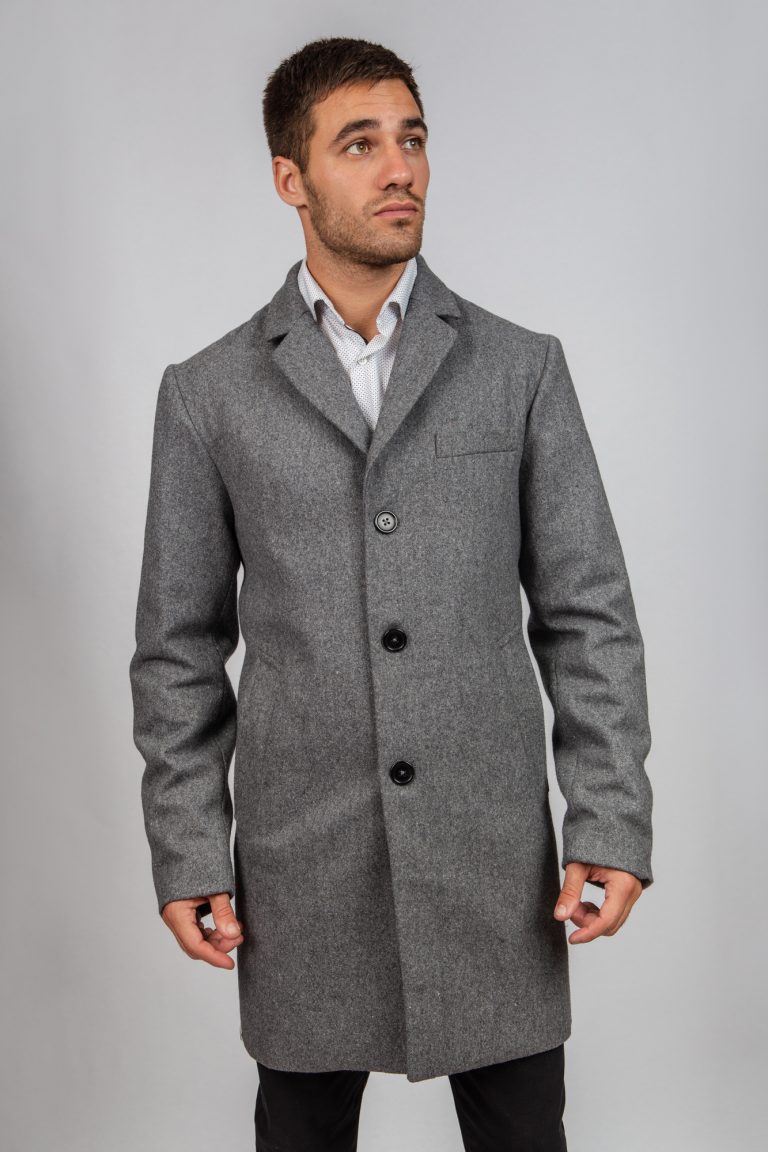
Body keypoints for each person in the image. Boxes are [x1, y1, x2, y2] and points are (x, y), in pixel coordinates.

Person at [129, 35, 654, 1151]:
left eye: (411, 138)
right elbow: (178, 650)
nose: (400, 167)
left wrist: (608, 817)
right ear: (291, 177)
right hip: (304, 869)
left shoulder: (520, 368)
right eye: (359, 144)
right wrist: (189, 848)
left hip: (492, 864)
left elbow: (589, 615)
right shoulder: (208, 394)